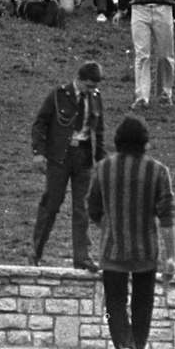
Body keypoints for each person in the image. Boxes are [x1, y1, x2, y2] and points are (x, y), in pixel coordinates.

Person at [86, 115, 175, 349]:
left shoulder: (103, 168)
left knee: (113, 304)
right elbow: (167, 217)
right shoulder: (158, 171)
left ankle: (123, 346)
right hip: (145, 252)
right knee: (142, 306)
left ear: (118, 140)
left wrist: (107, 225)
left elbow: (92, 207)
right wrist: (171, 257)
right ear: (144, 141)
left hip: (112, 250)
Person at [30, 60, 106, 270]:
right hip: (60, 156)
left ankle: (82, 257)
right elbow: (40, 123)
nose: (92, 90)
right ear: (79, 80)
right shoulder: (59, 95)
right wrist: (39, 152)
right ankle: (36, 251)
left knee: (83, 207)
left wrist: (101, 159)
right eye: (89, 86)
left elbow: (98, 130)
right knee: (51, 203)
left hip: (83, 155)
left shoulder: (96, 98)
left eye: (95, 87)